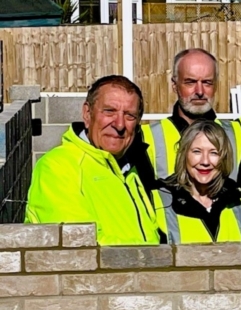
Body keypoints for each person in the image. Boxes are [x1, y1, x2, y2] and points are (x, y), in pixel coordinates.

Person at [25, 75, 160, 245]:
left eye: (129, 116)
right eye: (109, 111)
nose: (119, 125)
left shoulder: (130, 170)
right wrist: (150, 259)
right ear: (87, 114)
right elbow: (77, 244)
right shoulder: (57, 166)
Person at [141, 48, 241, 187]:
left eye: (207, 82)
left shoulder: (235, 132)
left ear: (215, 86)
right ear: (174, 85)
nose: (200, 92)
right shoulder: (148, 137)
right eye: (190, 82)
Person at [153, 120, 241, 243]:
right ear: (184, 154)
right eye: (197, 151)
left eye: (214, 153)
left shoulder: (239, 200)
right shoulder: (158, 200)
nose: (205, 161)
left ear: (224, 158)